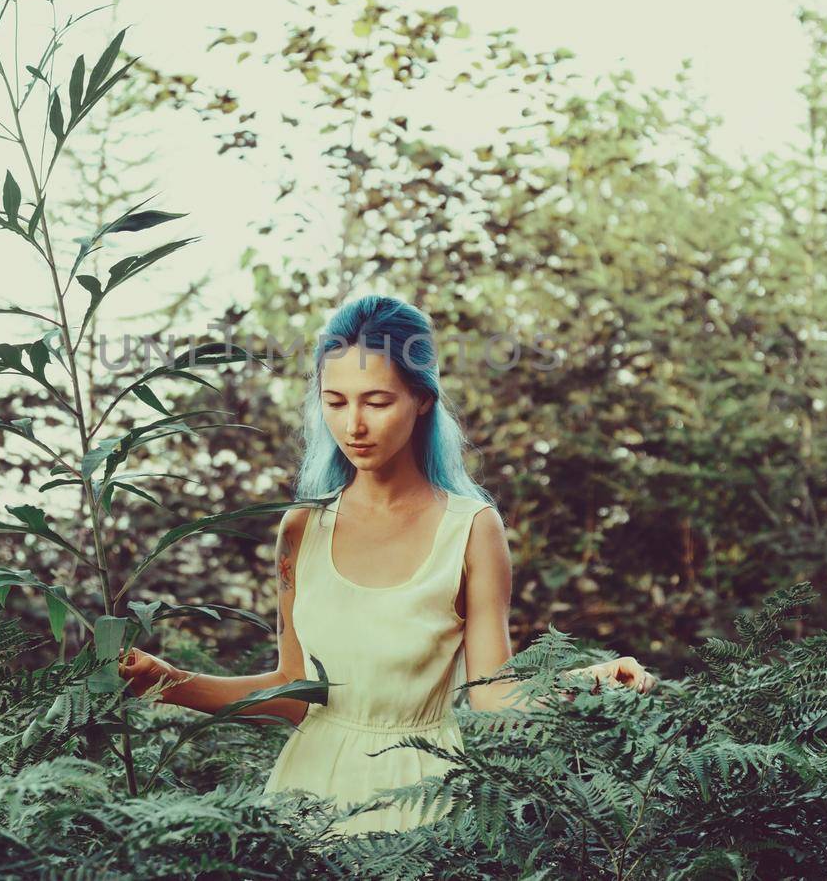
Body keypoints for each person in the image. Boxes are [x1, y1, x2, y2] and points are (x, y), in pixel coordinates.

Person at [117, 294, 657, 836]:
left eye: (376, 401)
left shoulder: (471, 529)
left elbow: (492, 695)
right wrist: (169, 681)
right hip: (305, 798)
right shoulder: (301, 528)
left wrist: (587, 679)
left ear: (422, 398)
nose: (353, 425)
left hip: (424, 798)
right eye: (335, 401)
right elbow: (293, 691)